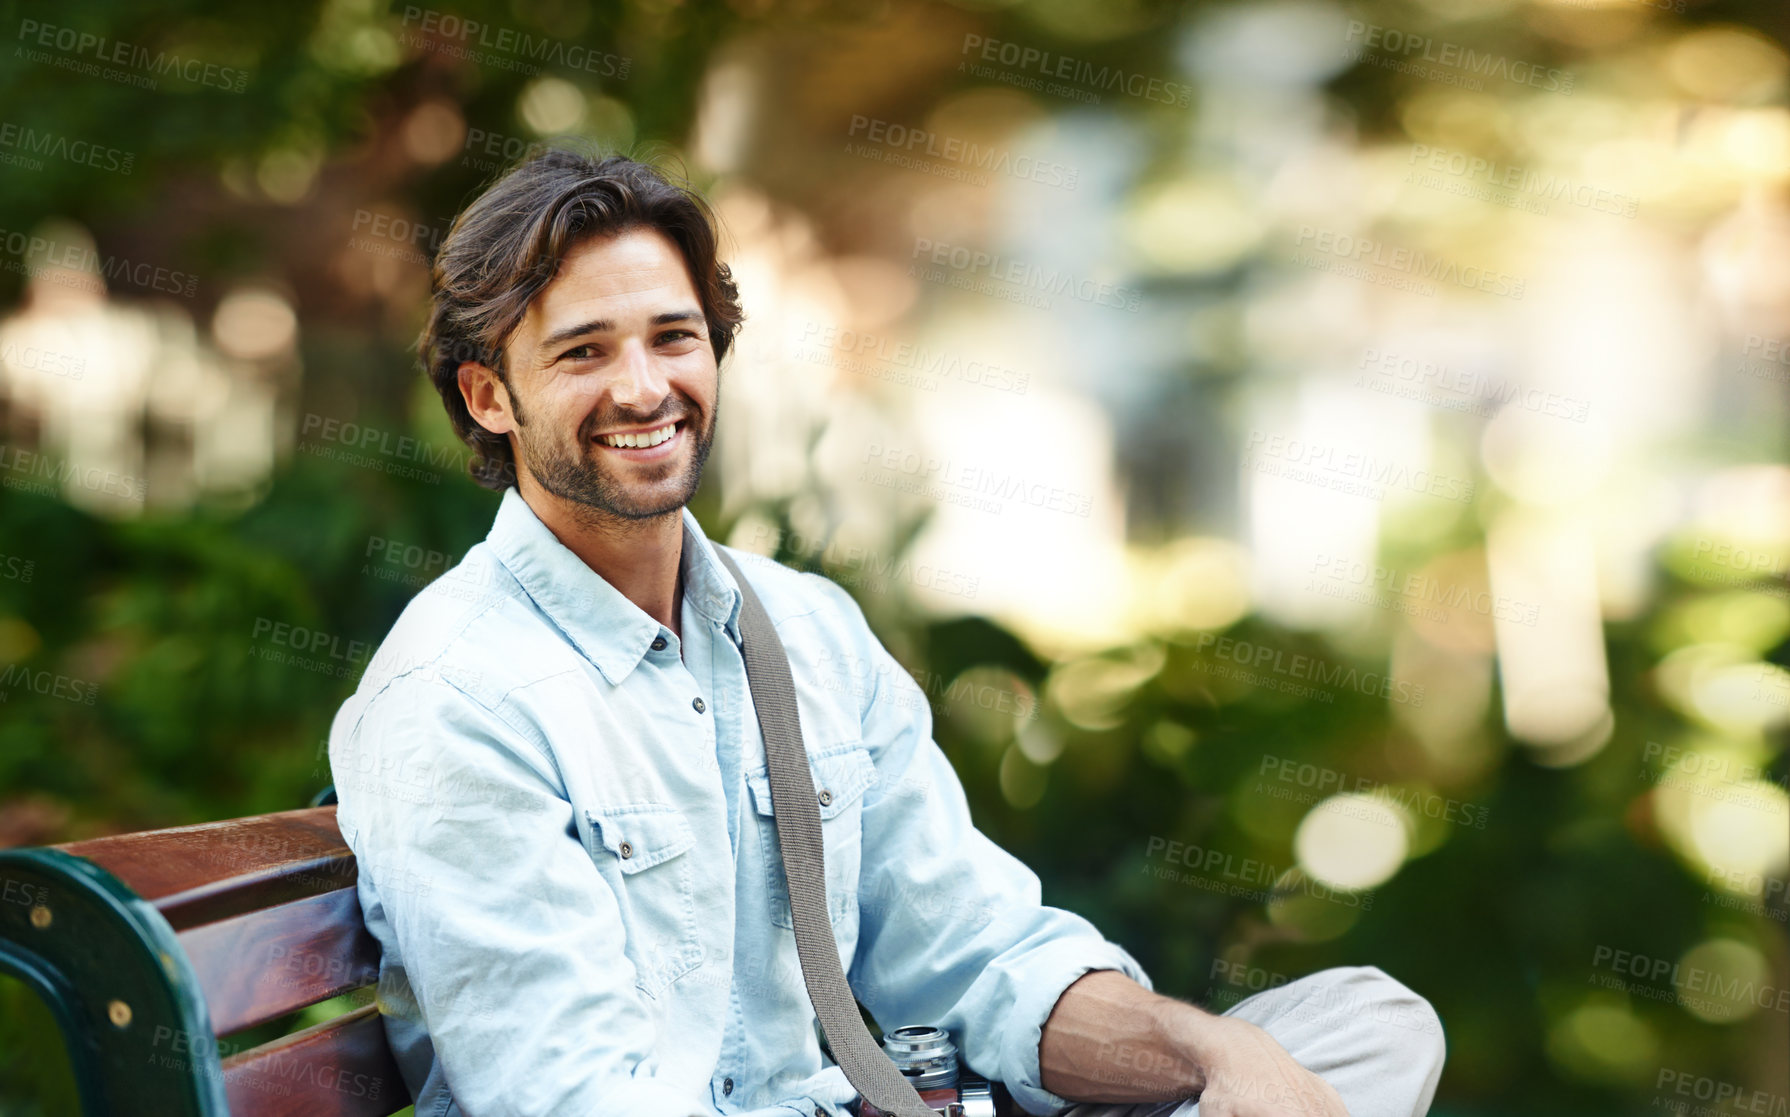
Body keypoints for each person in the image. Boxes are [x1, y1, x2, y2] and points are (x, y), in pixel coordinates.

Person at [328, 147, 1446, 1117]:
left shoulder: (804, 630)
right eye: (583, 352)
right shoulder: (455, 698)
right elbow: (574, 1098)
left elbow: (978, 957)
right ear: (489, 396)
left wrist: (1217, 1054)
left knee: (1361, 1027)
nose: (644, 387)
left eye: (673, 337)